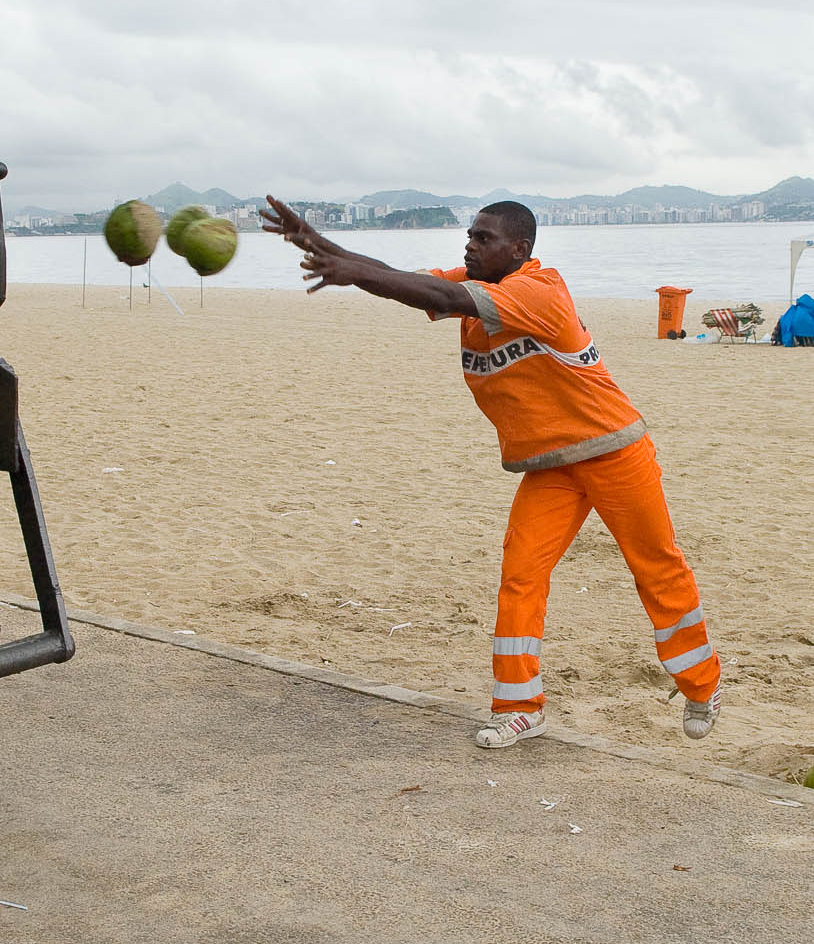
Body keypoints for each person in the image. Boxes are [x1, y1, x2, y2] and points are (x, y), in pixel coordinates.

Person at [261, 195, 721, 750]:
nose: (470, 246)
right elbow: (398, 278)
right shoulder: (483, 282)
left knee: (656, 566)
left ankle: (702, 685)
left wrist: (346, 270)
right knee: (520, 577)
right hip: (552, 466)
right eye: (470, 236)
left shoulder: (538, 291)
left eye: (483, 239)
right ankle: (521, 707)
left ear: (518, 250)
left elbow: (440, 295)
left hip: (614, 451)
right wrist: (316, 241)